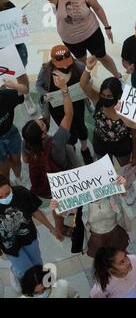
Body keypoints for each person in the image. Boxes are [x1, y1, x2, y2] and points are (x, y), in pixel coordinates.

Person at [22, 74, 85, 252]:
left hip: (48, 188)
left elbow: (25, 160)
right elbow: (69, 114)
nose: (42, 121)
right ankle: (72, 224)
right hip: (65, 182)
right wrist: (64, 91)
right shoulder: (56, 143)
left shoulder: (28, 145)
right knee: (71, 205)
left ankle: (59, 228)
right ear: (42, 134)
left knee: (57, 206)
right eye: (41, 125)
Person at [80, 56, 136, 205]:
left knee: (125, 170)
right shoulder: (98, 102)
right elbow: (83, 85)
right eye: (103, 95)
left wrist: (135, 155)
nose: (105, 98)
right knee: (106, 169)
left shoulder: (125, 109)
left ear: (117, 96)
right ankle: (112, 186)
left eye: (109, 96)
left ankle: (128, 187)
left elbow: (134, 133)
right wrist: (88, 68)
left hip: (122, 144)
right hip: (100, 142)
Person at [36, 45, 93, 164]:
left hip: (76, 103)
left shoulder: (79, 66)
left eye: (67, 62)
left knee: (81, 127)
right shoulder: (46, 71)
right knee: (68, 132)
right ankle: (71, 149)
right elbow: (39, 85)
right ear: (52, 61)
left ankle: (84, 148)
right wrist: (45, 94)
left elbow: (87, 80)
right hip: (57, 108)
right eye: (60, 63)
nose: (65, 66)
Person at [50, 176, 131, 258]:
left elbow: (124, 194)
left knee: (122, 255)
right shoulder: (79, 201)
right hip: (97, 238)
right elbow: (63, 212)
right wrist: (57, 206)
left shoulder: (110, 191)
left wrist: (122, 184)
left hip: (116, 233)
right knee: (103, 261)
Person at [0, 175, 59, 280]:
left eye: (7, 193)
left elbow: (35, 211)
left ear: (10, 186)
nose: (5, 198)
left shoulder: (21, 192)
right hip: (10, 246)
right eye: (0, 197)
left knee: (37, 264)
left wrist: (51, 228)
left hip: (29, 238)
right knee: (25, 272)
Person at [45, 0, 122, 79]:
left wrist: (107, 27)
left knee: (102, 56)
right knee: (82, 62)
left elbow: (97, 8)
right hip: (71, 40)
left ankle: (118, 76)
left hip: (92, 32)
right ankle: (87, 81)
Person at [0, 0, 36, 115]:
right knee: (2, 80)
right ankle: (5, 101)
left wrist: (23, 21)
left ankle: (26, 96)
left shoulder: (7, 4)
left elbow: (19, 21)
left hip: (16, 47)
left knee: (21, 73)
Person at [0, 80, 27, 183]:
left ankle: (18, 177)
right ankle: (7, 185)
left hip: (11, 133)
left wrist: (16, 85)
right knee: (3, 168)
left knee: (16, 160)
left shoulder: (6, 96)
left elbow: (24, 91)